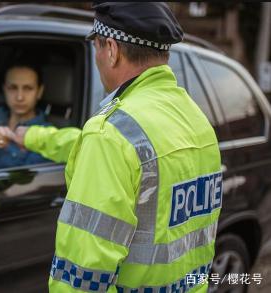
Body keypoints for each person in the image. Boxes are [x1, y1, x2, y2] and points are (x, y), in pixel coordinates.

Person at [13, 2, 222, 292]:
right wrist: (33, 137)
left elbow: (82, 280)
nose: (97, 58)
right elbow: (134, 155)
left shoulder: (110, 134)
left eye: (96, 48)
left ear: (111, 50)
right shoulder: (195, 119)